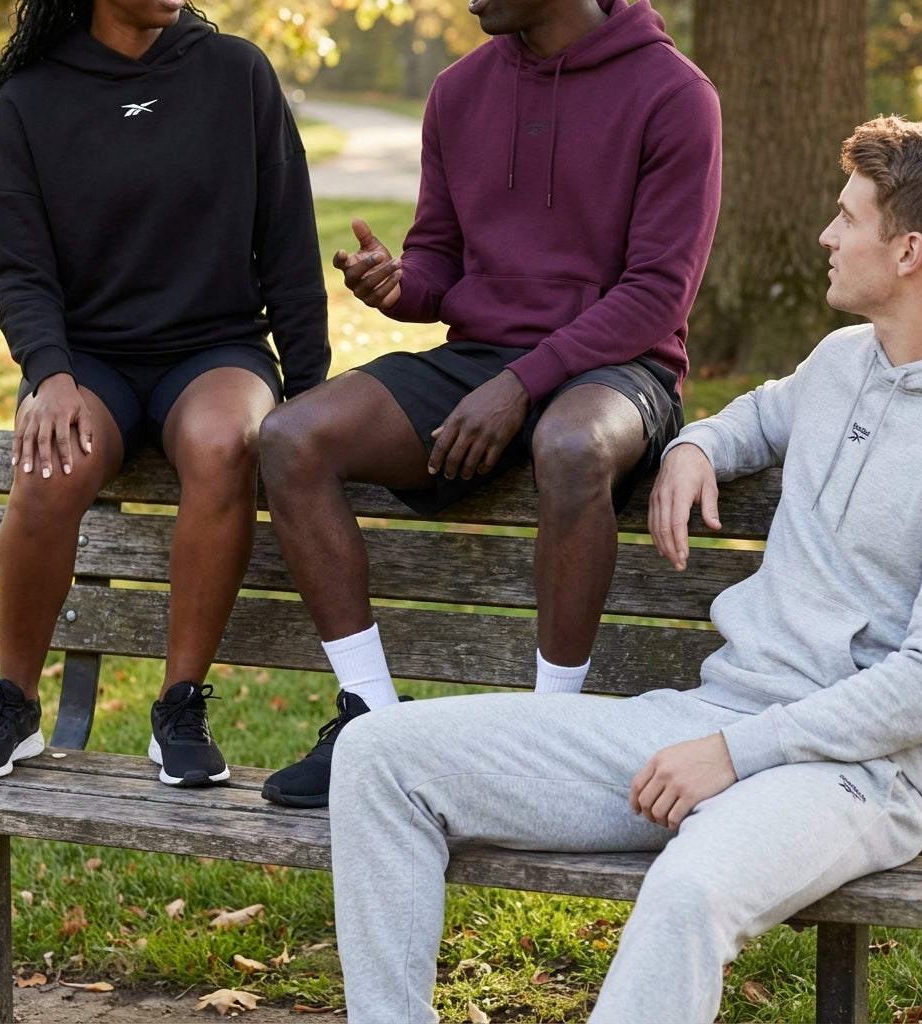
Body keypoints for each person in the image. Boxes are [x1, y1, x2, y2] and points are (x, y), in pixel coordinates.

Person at [326, 116, 922, 1023]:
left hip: (857, 775)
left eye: (848, 218)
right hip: (707, 722)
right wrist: (693, 446)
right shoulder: (845, 360)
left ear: (911, 251)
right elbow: (753, 419)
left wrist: (735, 754)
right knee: (380, 757)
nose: (826, 236)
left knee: (688, 893)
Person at [258, 0, 722, 808]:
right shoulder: (458, 90)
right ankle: (368, 716)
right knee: (293, 437)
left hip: (620, 367)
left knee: (572, 447)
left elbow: (656, 294)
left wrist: (522, 384)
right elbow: (440, 254)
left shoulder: (674, 94)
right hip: (480, 361)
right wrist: (401, 287)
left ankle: (548, 738)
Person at [0, 0, 328, 785]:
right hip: (88, 360)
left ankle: (178, 705)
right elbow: (20, 266)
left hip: (214, 350)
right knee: (49, 463)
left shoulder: (236, 71)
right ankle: (12, 702)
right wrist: (49, 372)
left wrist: (308, 391)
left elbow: (288, 241)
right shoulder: (31, 98)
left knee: (225, 442)